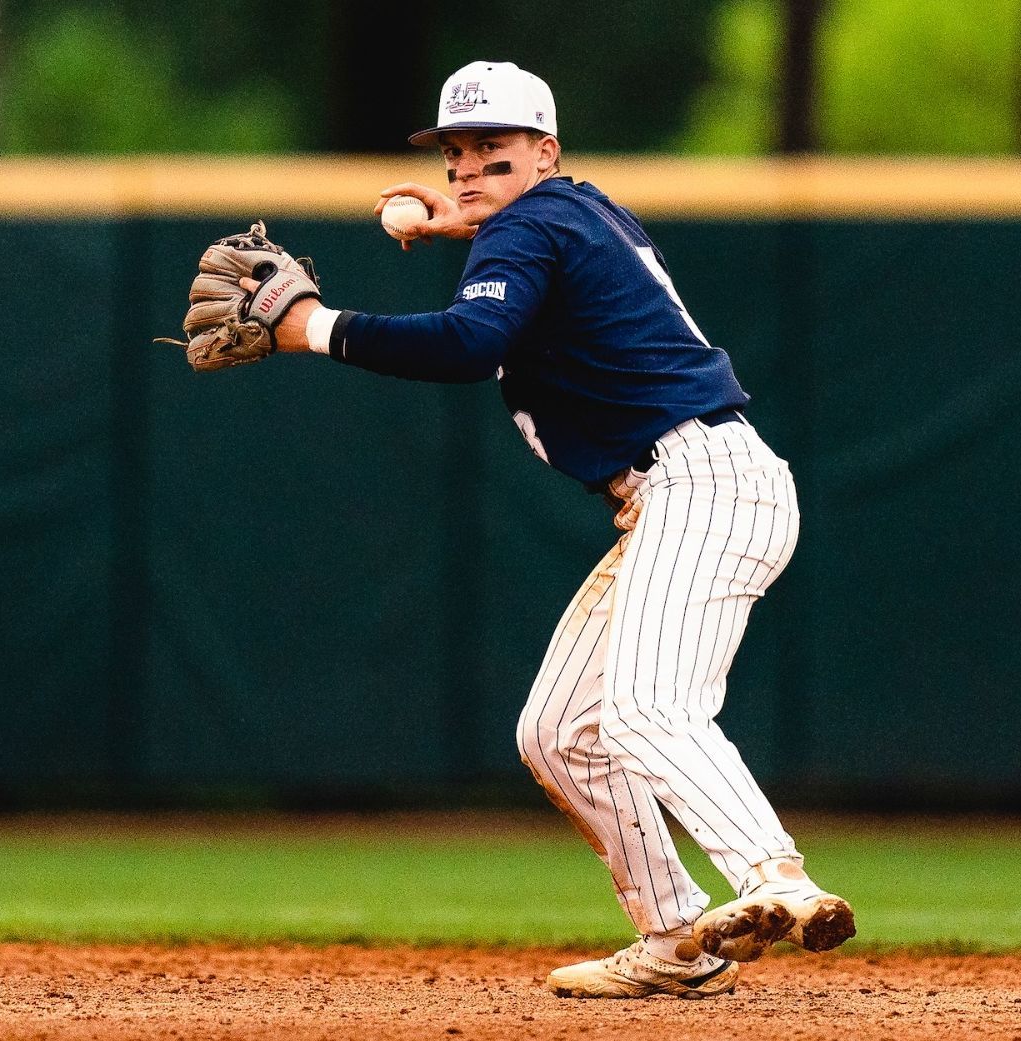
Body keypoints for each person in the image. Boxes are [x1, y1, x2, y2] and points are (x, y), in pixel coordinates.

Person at [254, 59, 855, 999]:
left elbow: (468, 342)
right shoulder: (571, 211)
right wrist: (464, 218)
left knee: (648, 709)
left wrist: (313, 326)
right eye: (454, 152)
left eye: (491, 147)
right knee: (558, 735)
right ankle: (673, 942)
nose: (466, 166)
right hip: (679, 491)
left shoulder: (534, 224)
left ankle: (776, 879)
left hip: (701, 480)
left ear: (546, 148)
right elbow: (545, 242)